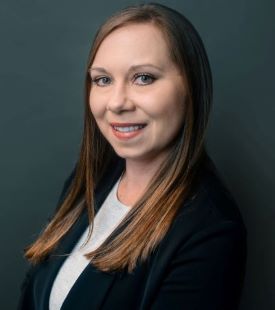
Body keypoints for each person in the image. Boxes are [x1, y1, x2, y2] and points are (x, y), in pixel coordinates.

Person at [18, 3, 247, 309]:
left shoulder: (211, 232)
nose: (116, 103)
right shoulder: (90, 180)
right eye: (103, 80)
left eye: (143, 78)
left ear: (190, 88)